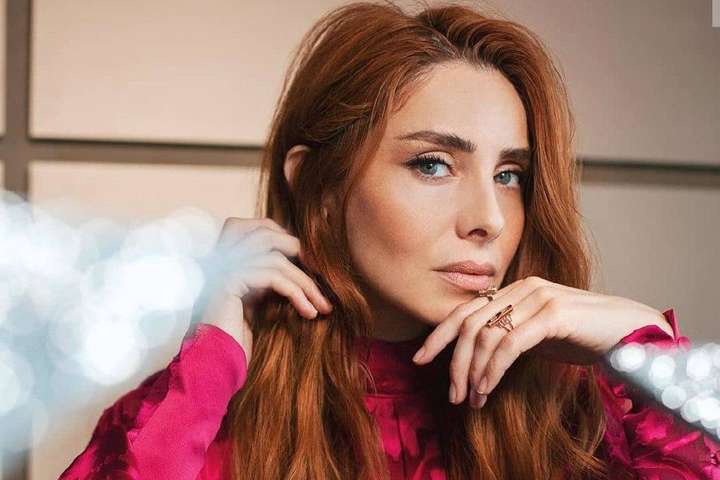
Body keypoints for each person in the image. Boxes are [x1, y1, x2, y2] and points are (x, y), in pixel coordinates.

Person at [58, 1, 720, 479]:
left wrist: (644, 345)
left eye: (509, 175)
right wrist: (210, 356)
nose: (489, 218)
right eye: (433, 164)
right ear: (318, 182)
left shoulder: (579, 418)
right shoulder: (200, 418)